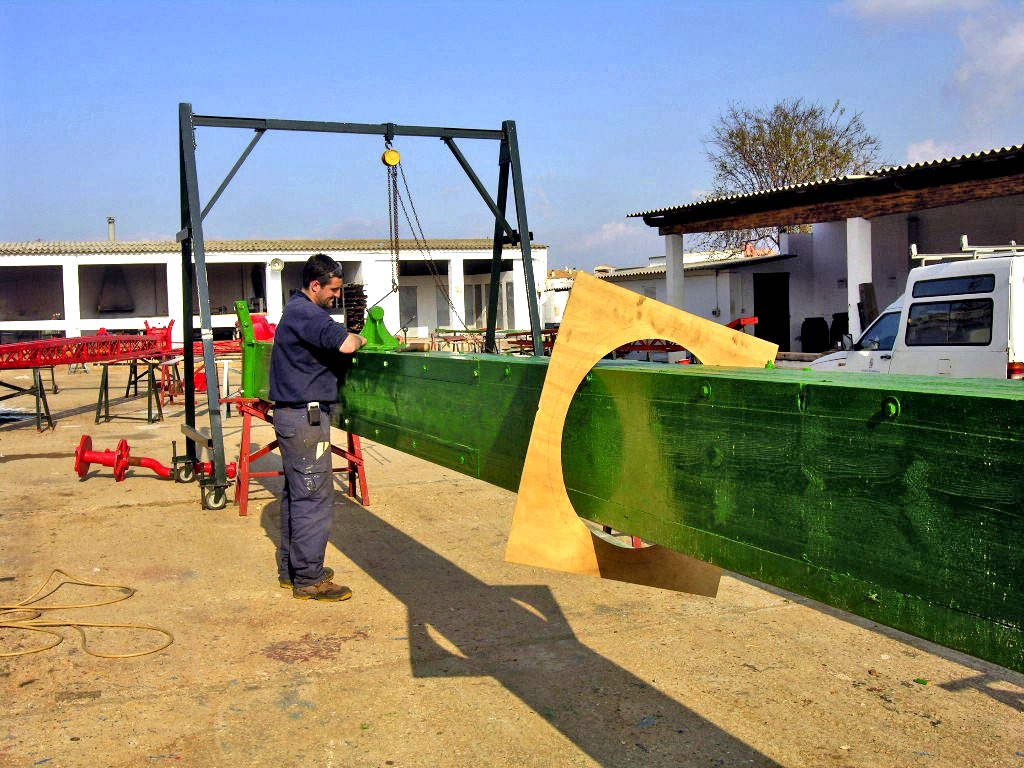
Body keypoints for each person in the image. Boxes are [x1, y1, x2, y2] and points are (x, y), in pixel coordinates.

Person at [270, 253, 367, 601]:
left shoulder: (295, 311)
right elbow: (344, 343)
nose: (337, 297)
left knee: (298, 495)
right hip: (305, 418)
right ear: (315, 285)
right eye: (333, 290)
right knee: (313, 497)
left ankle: (292, 571)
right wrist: (359, 338)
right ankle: (309, 579)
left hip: (294, 416)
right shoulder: (306, 313)